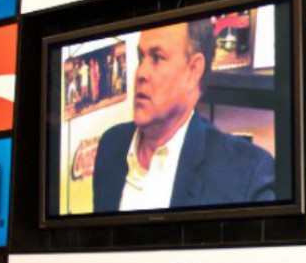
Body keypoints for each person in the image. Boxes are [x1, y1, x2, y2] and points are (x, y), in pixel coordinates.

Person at [92, 18, 275, 212]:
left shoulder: (245, 174)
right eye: (140, 58)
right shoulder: (111, 145)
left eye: (157, 58)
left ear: (194, 70)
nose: (141, 73)